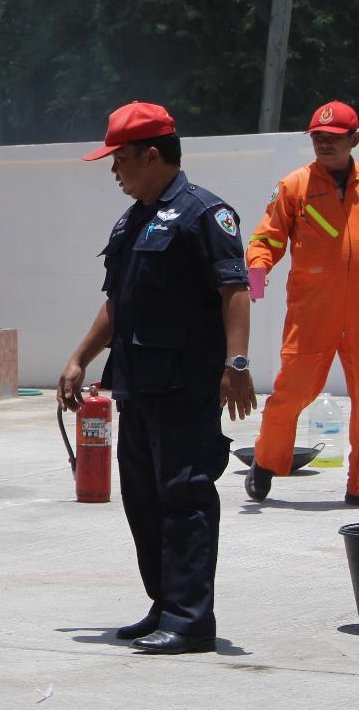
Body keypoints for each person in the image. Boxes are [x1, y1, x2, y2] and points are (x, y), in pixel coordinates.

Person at [58, 102, 256, 655]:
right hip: (138, 384)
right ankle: (165, 603)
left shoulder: (204, 213)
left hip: (188, 385)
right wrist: (80, 357)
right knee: (143, 499)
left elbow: (233, 289)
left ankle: (191, 620)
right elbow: (116, 303)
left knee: (185, 495)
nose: (113, 169)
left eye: (119, 158)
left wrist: (236, 364)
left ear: (151, 155)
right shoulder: (132, 219)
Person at [245, 101, 359, 502]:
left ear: (354, 139)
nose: (324, 145)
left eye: (333, 139)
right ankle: (265, 461)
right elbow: (266, 239)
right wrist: (257, 279)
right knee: (292, 392)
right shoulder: (295, 186)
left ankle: (358, 485)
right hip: (312, 312)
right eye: (318, 138)